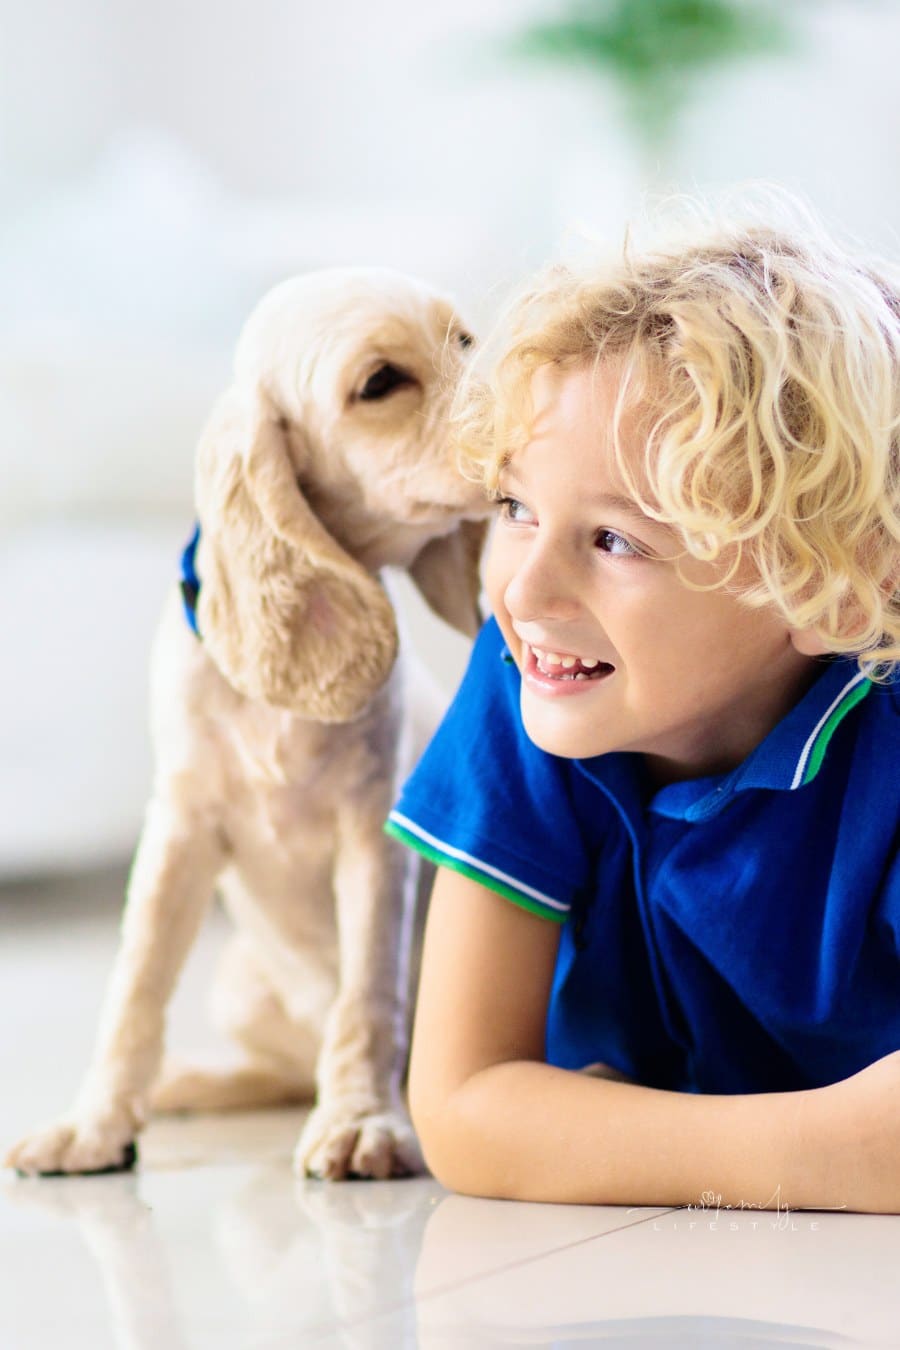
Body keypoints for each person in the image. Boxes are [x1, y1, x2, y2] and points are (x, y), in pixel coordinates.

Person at [385, 194, 900, 1212]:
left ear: (831, 589)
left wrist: (600, 1134)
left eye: (615, 541)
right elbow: (460, 1105)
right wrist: (821, 1151)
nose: (523, 593)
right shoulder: (535, 669)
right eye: (517, 509)